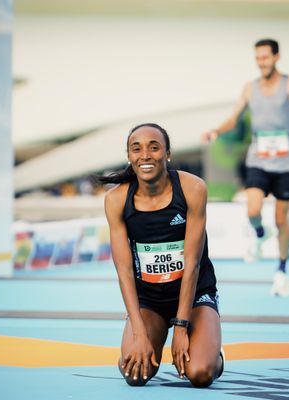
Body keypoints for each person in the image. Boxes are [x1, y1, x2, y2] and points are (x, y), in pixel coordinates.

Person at [203, 39, 289, 297]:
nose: (261, 62)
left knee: (281, 219)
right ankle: (260, 233)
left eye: (265, 57)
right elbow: (233, 118)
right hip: (259, 161)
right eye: (258, 58)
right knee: (252, 209)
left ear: (276, 57)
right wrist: (216, 130)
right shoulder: (249, 89)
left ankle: (282, 270)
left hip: (286, 164)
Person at [101, 123, 223, 387]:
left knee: (200, 373)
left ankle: (215, 357)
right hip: (150, 300)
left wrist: (181, 326)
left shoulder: (192, 188)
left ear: (167, 154)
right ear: (129, 157)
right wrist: (139, 332)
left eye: (154, 147)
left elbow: (191, 263)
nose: (145, 155)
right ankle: (139, 343)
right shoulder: (116, 200)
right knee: (135, 375)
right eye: (137, 149)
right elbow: (123, 272)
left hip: (194, 296)